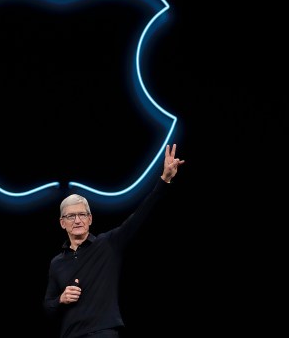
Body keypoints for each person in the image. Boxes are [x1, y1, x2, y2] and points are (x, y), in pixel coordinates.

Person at [43, 143, 185, 338]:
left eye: (82, 215)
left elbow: (140, 215)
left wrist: (164, 180)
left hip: (103, 332)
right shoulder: (57, 263)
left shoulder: (108, 244)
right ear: (62, 223)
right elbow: (48, 308)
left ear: (90, 219)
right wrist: (60, 299)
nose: (77, 220)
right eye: (70, 216)